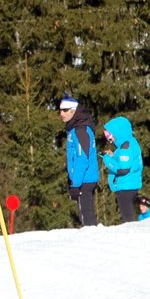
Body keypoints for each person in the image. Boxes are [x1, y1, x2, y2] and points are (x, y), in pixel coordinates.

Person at [59, 94, 99, 226]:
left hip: (84, 180)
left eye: (65, 110)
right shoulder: (75, 129)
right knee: (86, 213)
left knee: (86, 215)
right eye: (60, 110)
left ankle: (91, 241)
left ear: (73, 111)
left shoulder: (80, 130)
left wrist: (75, 184)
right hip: (83, 179)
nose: (61, 114)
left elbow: (83, 159)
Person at [101, 116, 144, 223]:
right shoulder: (129, 143)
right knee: (129, 215)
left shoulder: (126, 147)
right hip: (131, 184)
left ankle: (131, 236)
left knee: (128, 218)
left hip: (126, 186)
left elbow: (123, 169)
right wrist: (113, 156)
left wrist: (107, 160)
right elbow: (124, 161)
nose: (109, 139)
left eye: (109, 135)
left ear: (118, 132)